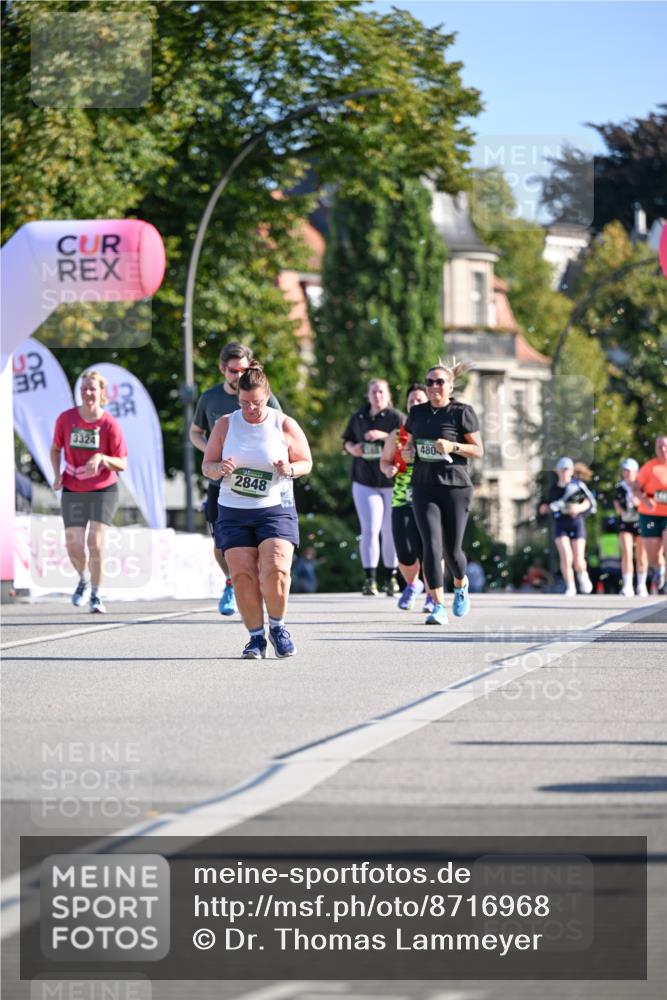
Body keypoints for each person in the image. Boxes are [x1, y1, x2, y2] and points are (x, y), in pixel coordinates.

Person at [202, 363, 312, 659]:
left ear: (268, 396)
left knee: (276, 569)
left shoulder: (284, 424)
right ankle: (255, 638)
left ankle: (277, 627)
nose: (250, 409)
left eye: (257, 402)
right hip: (233, 510)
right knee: (242, 575)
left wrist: (290, 469)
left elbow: (306, 462)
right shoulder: (225, 424)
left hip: (275, 509)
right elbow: (207, 466)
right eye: (244, 403)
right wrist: (219, 468)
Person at [190, 342, 281, 617]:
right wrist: (213, 453)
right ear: (222, 369)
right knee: (220, 542)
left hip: (260, 485)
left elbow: (282, 429)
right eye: (232, 370)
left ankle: (256, 586)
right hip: (220, 482)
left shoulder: (263, 397)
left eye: (242, 369)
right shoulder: (210, 398)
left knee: (260, 543)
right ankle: (231, 581)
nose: (238, 375)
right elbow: (195, 432)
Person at [404, 360, 484, 625]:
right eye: (429, 382)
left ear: (450, 386)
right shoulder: (417, 413)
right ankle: (438, 605)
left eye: (440, 382)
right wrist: (408, 452)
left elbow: (478, 450)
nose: (434, 386)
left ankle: (461, 584)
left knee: (452, 551)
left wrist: (453, 446)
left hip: (455, 487)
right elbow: (411, 445)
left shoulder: (461, 412)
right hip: (423, 486)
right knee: (431, 546)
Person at [50, 370, 128, 614]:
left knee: (94, 541)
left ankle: (96, 593)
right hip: (73, 487)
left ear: (101, 392)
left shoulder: (109, 424)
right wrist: (56, 474)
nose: (87, 393)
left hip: (103, 489)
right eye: (84, 388)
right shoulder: (66, 418)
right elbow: (55, 449)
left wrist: (102, 457)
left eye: (92, 388)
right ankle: (83, 579)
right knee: (73, 543)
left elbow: (122, 462)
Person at [342, 379, 404, 596]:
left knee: (390, 530)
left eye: (381, 392)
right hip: (364, 480)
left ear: (388, 395)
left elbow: (408, 441)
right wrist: (353, 448)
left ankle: (392, 578)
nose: (377, 396)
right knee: (369, 529)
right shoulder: (359, 416)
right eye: (374, 392)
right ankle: (370, 579)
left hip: (391, 480)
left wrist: (385, 436)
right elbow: (346, 440)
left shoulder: (396, 417)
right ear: (368, 395)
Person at [379, 383, 429, 611]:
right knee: (405, 551)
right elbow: (384, 461)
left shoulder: (434, 432)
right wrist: (388, 469)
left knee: (430, 549)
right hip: (402, 497)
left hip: (429, 496)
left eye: (420, 400)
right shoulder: (396, 434)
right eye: (411, 401)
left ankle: (433, 595)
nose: (415, 404)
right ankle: (413, 584)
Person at [539, 457, 596, 596]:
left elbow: (589, 503)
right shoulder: (553, 489)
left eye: (567, 470)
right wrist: (545, 508)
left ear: (571, 471)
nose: (564, 473)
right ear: (557, 471)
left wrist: (578, 508)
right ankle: (570, 586)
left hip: (576, 523)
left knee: (578, 560)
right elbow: (543, 506)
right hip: (561, 524)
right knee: (566, 556)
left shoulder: (577, 486)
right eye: (562, 470)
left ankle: (582, 574)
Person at [634, 434, 667, 594]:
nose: (663, 450)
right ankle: (659, 567)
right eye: (660, 446)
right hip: (650, 514)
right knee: (653, 554)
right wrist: (645, 500)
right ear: (656, 449)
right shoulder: (649, 467)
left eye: (666, 446)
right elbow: (636, 488)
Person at [613, 458, 647, 596]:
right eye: (625, 471)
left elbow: (649, 503)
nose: (626, 473)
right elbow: (617, 505)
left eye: (629, 471)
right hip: (625, 523)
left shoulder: (642, 486)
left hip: (641, 522)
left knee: (641, 555)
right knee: (627, 552)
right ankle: (627, 585)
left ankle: (641, 585)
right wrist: (621, 509)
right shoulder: (620, 487)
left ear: (636, 472)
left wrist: (639, 502)